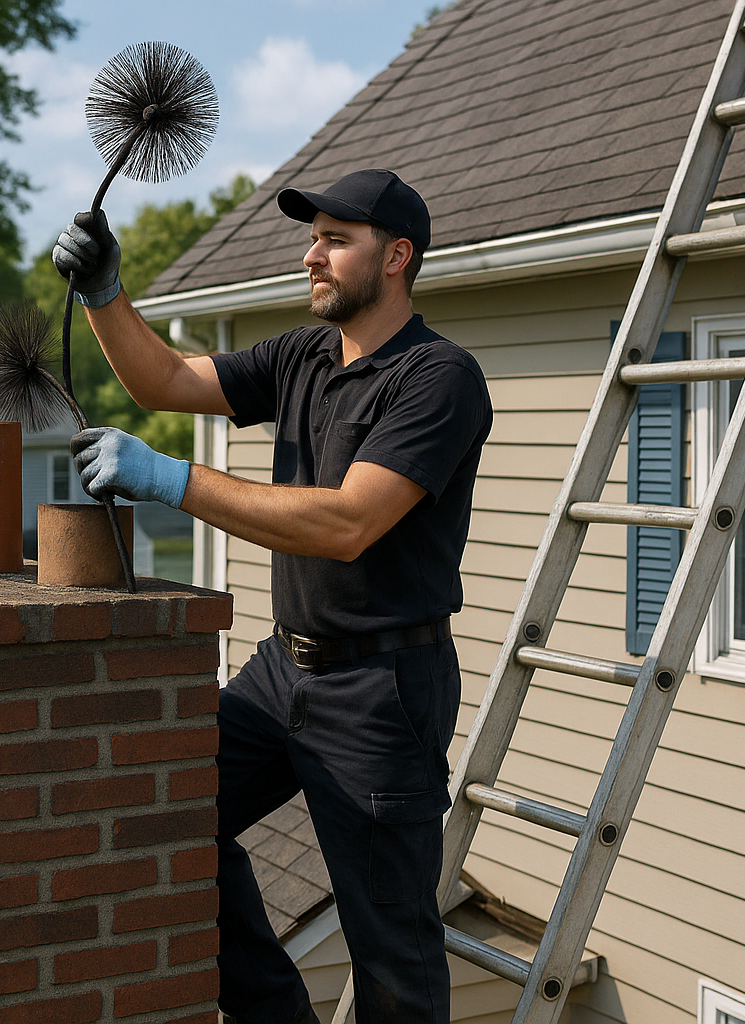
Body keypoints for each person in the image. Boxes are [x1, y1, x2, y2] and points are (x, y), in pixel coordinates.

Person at [54, 168, 492, 1024]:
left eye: (334, 240)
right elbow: (169, 384)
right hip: (279, 672)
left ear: (396, 256)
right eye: (313, 237)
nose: (310, 255)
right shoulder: (303, 355)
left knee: (392, 955)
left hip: (381, 694)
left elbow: (347, 523)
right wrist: (108, 292)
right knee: (167, 804)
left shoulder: (439, 378)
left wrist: (170, 478)